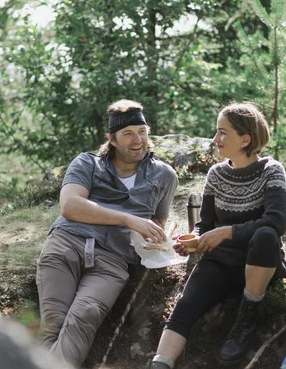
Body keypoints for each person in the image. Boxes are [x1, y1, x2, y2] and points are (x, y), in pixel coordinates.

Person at [35, 99, 178, 367]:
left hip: (113, 260)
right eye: (128, 134)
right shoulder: (87, 163)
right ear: (111, 139)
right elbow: (70, 206)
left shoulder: (164, 175)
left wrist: (162, 234)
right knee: (53, 323)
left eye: (143, 132)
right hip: (66, 244)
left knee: (85, 315)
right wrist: (127, 218)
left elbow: (158, 221)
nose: (138, 140)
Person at [151, 102, 286, 368]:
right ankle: (160, 362)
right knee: (187, 304)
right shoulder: (216, 174)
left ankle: (247, 319)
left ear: (245, 139)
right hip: (219, 263)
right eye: (217, 132)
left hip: (259, 263)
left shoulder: (272, 171)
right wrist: (194, 239)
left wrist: (227, 232)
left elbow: (276, 222)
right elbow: (206, 223)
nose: (216, 139)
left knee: (265, 235)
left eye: (223, 133)